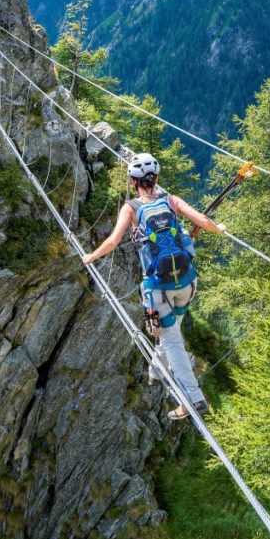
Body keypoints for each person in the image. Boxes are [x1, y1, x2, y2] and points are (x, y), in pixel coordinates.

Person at [82, 152, 225, 420]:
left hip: (159, 287)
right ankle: (157, 369)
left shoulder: (131, 207)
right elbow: (202, 221)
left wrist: (90, 256)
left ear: (133, 181)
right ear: (156, 178)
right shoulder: (171, 200)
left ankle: (192, 399)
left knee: (172, 339)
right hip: (188, 283)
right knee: (172, 327)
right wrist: (220, 229)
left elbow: (113, 241)